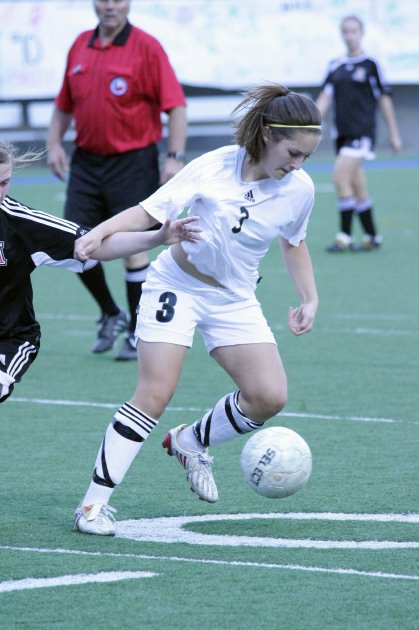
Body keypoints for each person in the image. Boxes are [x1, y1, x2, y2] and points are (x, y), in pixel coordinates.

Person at [71, 83, 322, 536]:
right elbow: (150, 212)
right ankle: (93, 506)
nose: (297, 164)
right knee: (155, 393)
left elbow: (294, 241)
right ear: (266, 134)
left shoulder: (299, 189)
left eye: (306, 156)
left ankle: (191, 441)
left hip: (235, 298)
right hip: (177, 285)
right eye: (292, 152)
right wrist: (99, 232)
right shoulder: (213, 166)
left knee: (269, 396)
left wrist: (309, 297)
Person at [0, 139, 200, 404]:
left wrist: (156, 238)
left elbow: (95, 245)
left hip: (8, 339)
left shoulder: (20, 223)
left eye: (4, 182)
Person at [47, 0, 187, 360]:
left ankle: (139, 331)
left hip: (133, 161)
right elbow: (64, 104)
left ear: (128, 4)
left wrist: (173, 157)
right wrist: (53, 144)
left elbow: (176, 106)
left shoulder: (147, 47)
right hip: (86, 163)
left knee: (133, 248)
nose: (109, 6)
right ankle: (111, 312)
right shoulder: (80, 44)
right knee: (73, 244)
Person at [315, 14, 402, 252]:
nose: (349, 35)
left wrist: (394, 133)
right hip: (341, 135)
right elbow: (325, 97)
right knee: (357, 186)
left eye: (353, 31)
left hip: (362, 132)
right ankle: (373, 237)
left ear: (361, 33)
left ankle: (344, 236)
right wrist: (310, 123)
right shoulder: (336, 65)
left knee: (339, 178)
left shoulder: (370, 64)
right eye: (345, 31)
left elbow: (384, 99)